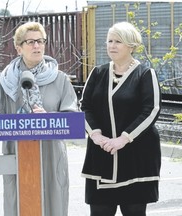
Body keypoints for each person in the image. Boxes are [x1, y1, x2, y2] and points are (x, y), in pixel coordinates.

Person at [0, 21, 78, 216]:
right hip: (17, 152)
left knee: (53, 198)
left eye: (40, 41)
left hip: (50, 153)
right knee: (19, 200)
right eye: (31, 42)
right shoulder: (6, 79)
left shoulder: (59, 79)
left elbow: (73, 118)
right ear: (19, 48)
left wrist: (49, 117)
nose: (37, 46)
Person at [79, 21, 161, 216]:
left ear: (131, 46)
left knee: (134, 211)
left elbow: (151, 110)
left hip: (136, 156)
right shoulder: (98, 73)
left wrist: (123, 139)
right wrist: (96, 135)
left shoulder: (145, 74)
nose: (112, 46)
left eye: (118, 41)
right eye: (109, 41)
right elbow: (84, 107)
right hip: (102, 153)